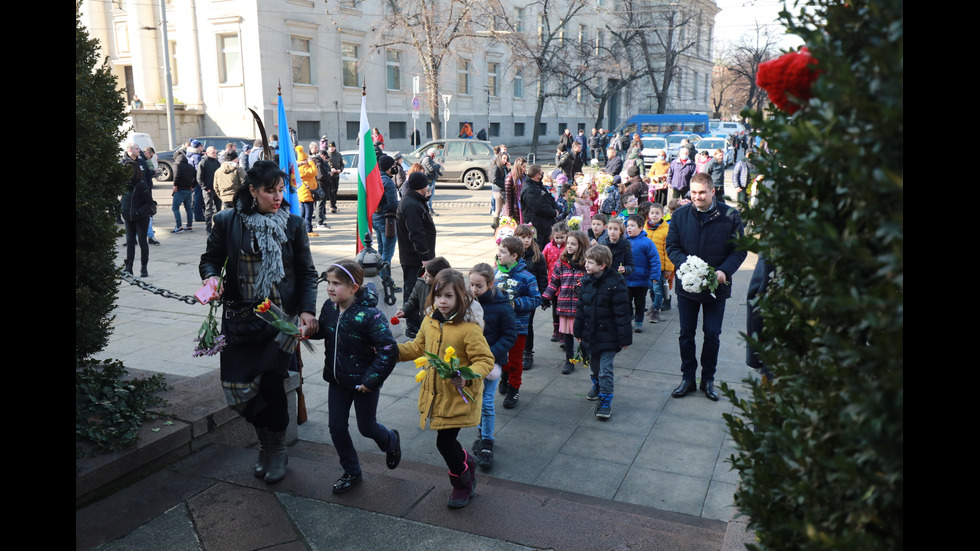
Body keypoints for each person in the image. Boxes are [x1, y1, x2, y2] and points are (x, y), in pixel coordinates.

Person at [199, 160, 319, 483]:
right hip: (240, 319)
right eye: (270, 191)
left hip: (281, 322)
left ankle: (274, 448)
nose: (278, 197)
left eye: (281, 190)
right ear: (252, 190)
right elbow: (210, 260)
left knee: (270, 386)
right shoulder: (227, 221)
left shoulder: (293, 224)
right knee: (237, 390)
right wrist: (212, 281)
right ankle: (267, 442)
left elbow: (307, 272)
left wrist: (307, 310)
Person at [398, 269, 493, 509]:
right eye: (438, 295)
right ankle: (465, 463)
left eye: (448, 296)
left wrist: (465, 374)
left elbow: (485, 360)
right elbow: (417, 347)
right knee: (446, 443)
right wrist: (389, 351)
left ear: (460, 296)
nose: (442, 301)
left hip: (458, 396)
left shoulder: (468, 328)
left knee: (444, 443)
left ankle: (462, 484)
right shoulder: (430, 321)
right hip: (435, 393)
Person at [310, 261, 400, 494]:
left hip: (363, 383)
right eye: (328, 282)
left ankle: (390, 441)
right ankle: (352, 471)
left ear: (354, 287)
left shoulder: (370, 315)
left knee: (366, 427)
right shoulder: (330, 308)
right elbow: (326, 330)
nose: (330, 288)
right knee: (336, 427)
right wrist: (311, 330)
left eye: (336, 283)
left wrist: (371, 381)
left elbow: (388, 350)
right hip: (338, 380)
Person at [666, 173, 747, 401]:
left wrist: (724, 271)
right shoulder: (680, 215)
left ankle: (708, 379)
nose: (697, 197)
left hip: (716, 288)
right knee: (686, 334)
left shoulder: (730, 215)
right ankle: (688, 378)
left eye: (702, 192)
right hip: (687, 288)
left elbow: (740, 250)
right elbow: (672, 245)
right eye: (693, 192)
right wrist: (686, 266)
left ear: (713, 191)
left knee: (712, 334)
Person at [468, 263, 516, 470]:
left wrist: (489, 355)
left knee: (486, 401)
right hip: (471, 361)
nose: (474, 290)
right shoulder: (467, 303)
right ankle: (481, 431)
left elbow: (509, 335)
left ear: (490, 283)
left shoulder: (502, 306)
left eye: (478, 285)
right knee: (475, 398)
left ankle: (487, 440)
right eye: (471, 285)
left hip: (491, 361)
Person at [574, 245, 631, 419]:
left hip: (609, 335)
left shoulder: (616, 283)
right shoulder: (586, 281)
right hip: (591, 333)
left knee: (605, 369)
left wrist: (625, 338)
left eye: (590, 263)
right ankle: (596, 385)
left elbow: (622, 312)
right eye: (586, 261)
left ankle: (605, 401)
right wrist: (578, 330)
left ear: (602, 265)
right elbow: (581, 307)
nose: (586, 265)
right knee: (594, 366)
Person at [493, 236, 542, 409]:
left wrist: (517, 303)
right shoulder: (495, 274)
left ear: (514, 256)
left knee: (515, 360)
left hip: (517, 326)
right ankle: (504, 377)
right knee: (501, 357)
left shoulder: (527, 277)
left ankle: (514, 388)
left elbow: (536, 299)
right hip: (498, 326)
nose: (498, 254)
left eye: (502, 252)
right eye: (499, 251)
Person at [541, 230, 588, 374]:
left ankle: (586, 355)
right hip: (565, 304)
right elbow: (554, 282)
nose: (569, 246)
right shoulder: (561, 262)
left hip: (582, 307)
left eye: (573, 244)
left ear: (581, 246)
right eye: (568, 243)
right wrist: (546, 297)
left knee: (582, 334)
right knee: (567, 335)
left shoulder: (586, 263)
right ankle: (569, 360)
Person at [396, 172, 437, 295]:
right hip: (414, 259)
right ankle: (408, 314)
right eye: (426, 186)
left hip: (416, 257)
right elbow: (416, 233)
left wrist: (425, 198)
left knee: (419, 292)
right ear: (421, 187)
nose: (428, 188)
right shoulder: (411, 205)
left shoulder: (413, 200)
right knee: (413, 292)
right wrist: (425, 257)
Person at [513, 224, 548, 370]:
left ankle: (527, 352)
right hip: (514, 296)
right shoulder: (512, 254)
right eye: (522, 237)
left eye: (529, 237)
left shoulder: (536, 256)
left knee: (527, 324)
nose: (526, 240)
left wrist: (543, 295)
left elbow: (542, 276)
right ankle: (515, 350)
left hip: (529, 297)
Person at [394, 257, 451, 340]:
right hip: (425, 324)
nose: (424, 276)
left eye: (428, 276)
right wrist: (404, 310)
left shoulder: (447, 290)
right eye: (425, 272)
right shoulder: (421, 283)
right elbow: (413, 300)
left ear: (438, 278)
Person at [625, 215, 660, 333]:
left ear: (640, 228)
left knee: (640, 303)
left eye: (632, 226)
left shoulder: (647, 243)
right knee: (626, 301)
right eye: (628, 225)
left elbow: (654, 260)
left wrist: (655, 276)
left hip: (642, 279)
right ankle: (629, 317)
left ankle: (639, 322)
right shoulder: (624, 241)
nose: (629, 228)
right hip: (626, 278)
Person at [121, 157, 153, 277]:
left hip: (140, 218)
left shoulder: (141, 185)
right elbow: (123, 200)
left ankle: (144, 267)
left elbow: (149, 202)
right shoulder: (125, 185)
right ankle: (129, 267)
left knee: (142, 242)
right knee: (130, 242)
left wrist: (139, 212)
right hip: (128, 217)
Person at [644, 203, 673, 323]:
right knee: (651, 288)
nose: (654, 215)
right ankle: (653, 306)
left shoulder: (666, 230)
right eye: (652, 213)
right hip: (647, 265)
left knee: (657, 288)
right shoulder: (645, 228)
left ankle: (656, 310)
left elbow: (668, 250)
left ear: (662, 215)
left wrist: (668, 268)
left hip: (659, 265)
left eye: (657, 213)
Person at [520, 164, 558, 252]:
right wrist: (553, 213)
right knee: (538, 250)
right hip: (537, 226)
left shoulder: (539, 185)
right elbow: (538, 207)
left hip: (546, 225)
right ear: (537, 175)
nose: (542, 174)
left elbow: (550, 198)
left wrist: (556, 209)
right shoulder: (528, 190)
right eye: (541, 172)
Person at [373, 155, 400, 282]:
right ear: (389, 168)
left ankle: (379, 278)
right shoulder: (388, 182)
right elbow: (393, 205)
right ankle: (385, 282)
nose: (395, 169)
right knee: (387, 254)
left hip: (376, 218)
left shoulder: (375, 179)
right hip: (386, 221)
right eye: (393, 167)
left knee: (381, 250)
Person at [294, 145, 319, 237]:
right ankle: (308, 230)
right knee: (308, 212)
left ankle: (300, 228)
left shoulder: (299, 167)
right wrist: (311, 162)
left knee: (303, 212)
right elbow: (314, 171)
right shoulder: (303, 168)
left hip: (304, 193)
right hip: (306, 194)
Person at [197, 147, 222, 233]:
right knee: (209, 209)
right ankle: (208, 227)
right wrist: (206, 188)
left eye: (215, 152)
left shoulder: (217, 162)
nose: (215, 154)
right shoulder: (203, 163)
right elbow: (199, 178)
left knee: (219, 209)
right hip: (208, 190)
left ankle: (218, 227)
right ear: (207, 153)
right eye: (212, 153)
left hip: (217, 190)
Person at [171, 150, 195, 232]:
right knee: (188, 209)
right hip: (188, 190)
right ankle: (189, 225)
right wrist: (192, 186)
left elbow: (176, 175)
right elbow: (196, 176)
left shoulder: (176, 165)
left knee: (175, 208)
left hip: (180, 190)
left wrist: (175, 185)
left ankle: (179, 226)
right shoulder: (190, 166)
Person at [501, 157, 526, 221]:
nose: (525, 169)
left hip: (523, 206)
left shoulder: (524, 176)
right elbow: (508, 198)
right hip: (515, 207)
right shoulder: (510, 178)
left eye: (525, 167)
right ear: (518, 166)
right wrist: (509, 214)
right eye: (523, 167)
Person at [490, 153, 511, 229]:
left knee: (506, 209)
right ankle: (496, 226)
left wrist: (509, 169)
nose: (505, 161)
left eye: (506, 159)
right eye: (504, 159)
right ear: (500, 158)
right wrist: (505, 184)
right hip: (498, 191)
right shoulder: (497, 166)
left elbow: (508, 176)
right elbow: (494, 180)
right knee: (498, 210)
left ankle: (501, 225)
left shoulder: (504, 167)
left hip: (504, 190)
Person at [420, 148, 443, 215]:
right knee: (429, 195)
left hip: (430, 179)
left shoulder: (429, 159)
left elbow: (433, 167)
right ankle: (429, 210)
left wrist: (439, 173)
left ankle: (429, 209)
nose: (435, 156)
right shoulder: (427, 159)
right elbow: (431, 169)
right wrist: (439, 165)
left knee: (429, 195)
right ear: (432, 154)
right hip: (428, 180)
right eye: (435, 154)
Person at [326, 142, 344, 214]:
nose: (331, 148)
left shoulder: (338, 155)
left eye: (333, 147)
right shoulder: (326, 154)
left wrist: (340, 170)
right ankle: (332, 206)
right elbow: (325, 164)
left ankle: (333, 205)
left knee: (335, 191)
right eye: (330, 147)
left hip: (336, 176)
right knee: (331, 191)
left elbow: (342, 165)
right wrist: (330, 169)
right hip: (328, 176)